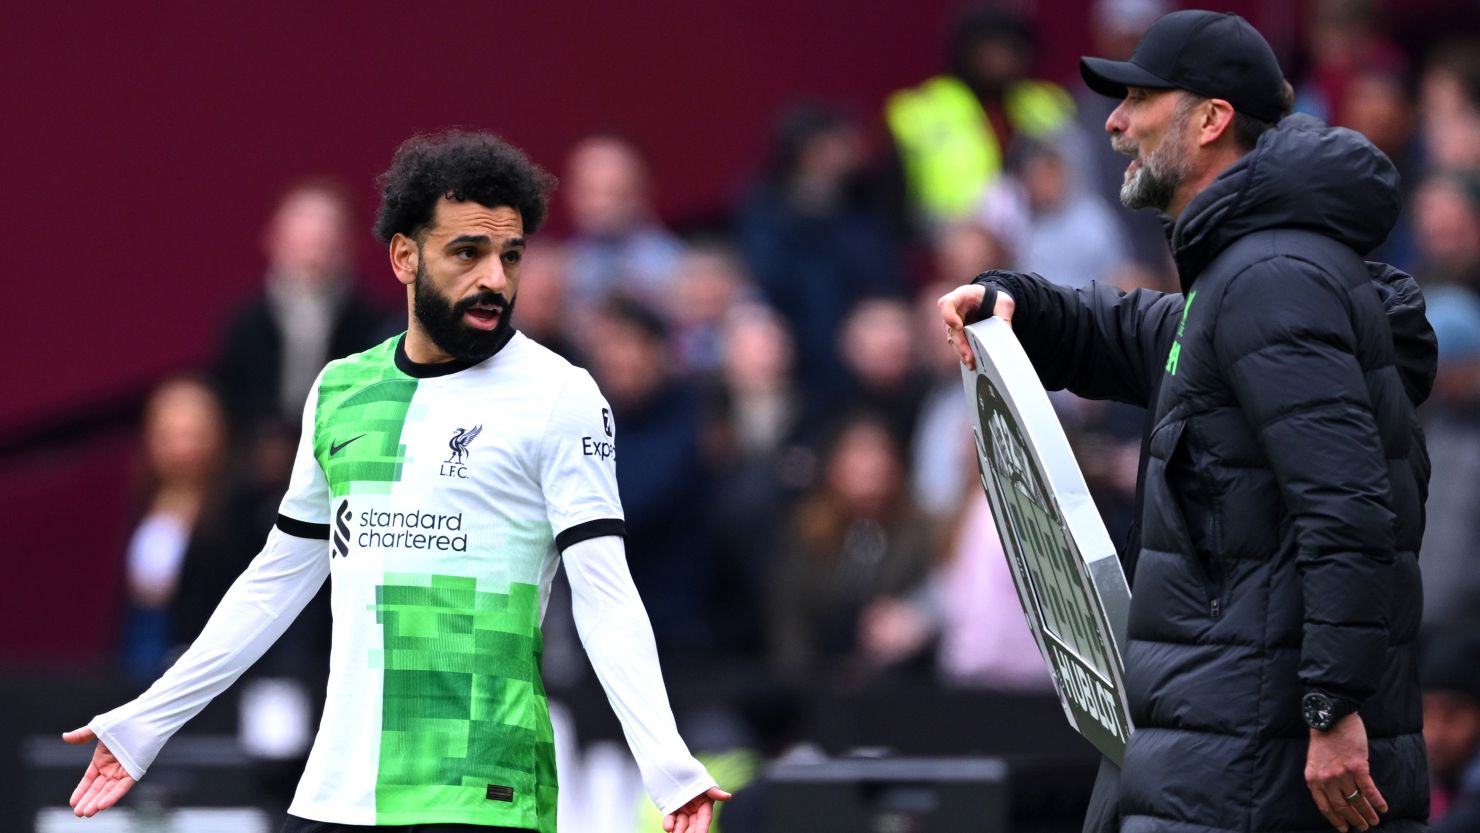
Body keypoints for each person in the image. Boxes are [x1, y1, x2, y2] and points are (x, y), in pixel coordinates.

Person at [64, 130, 728, 833]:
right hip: (339, 794)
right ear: (404, 256)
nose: (495, 279)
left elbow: (605, 592)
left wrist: (666, 760)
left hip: (482, 790)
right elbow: (276, 582)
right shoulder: (341, 390)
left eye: (511, 256)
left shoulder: (559, 396)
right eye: (468, 252)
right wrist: (145, 723)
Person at [939, 11, 1433, 833]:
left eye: (1138, 98)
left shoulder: (1272, 274)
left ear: (1211, 119)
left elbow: (1348, 506)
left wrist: (1331, 703)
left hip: (1253, 765)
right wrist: (1024, 307)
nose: (1115, 123)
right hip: (1228, 748)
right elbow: (1160, 339)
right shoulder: (1256, 268)